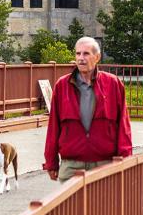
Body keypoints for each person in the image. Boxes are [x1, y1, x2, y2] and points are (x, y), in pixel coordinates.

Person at [44, 36, 133, 181]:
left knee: (104, 204)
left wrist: (125, 159)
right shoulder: (62, 85)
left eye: (86, 54)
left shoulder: (113, 84)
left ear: (97, 57)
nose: (81, 58)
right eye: (78, 54)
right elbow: (54, 126)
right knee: (72, 205)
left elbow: (123, 126)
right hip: (71, 165)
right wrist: (51, 163)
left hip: (105, 164)